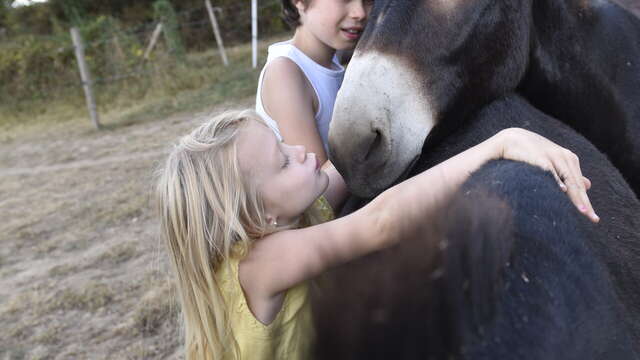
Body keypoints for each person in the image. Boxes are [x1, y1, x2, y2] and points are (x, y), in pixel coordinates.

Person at [156, 109, 598, 360]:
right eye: (282, 161)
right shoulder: (260, 264)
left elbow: (348, 166)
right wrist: (497, 145)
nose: (297, 151)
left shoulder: (290, 212)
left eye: (282, 142)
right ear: (259, 220)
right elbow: (380, 222)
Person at [255, 0, 371, 195]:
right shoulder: (286, 72)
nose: (360, 12)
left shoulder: (333, 59)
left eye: (368, 1)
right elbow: (318, 184)